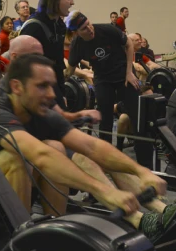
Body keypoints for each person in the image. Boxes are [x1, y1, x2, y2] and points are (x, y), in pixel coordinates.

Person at [0, 54, 175, 240]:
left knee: (56, 146)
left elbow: (90, 145)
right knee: (22, 156)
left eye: (52, 85)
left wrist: (141, 171)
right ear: (16, 87)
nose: (50, 94)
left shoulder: (39, 109)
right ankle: (21, 241)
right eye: (42, 86)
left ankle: (54, 231)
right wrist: (104, 191)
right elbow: (40, 156)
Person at [65, 12, 156, 167]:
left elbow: (128, 44)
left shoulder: (106, 29)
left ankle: (146, 166)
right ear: (76, 32)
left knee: (138, 120)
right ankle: (106, 164)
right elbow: (69, 70)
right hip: (103, 80)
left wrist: (129, 72)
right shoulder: (77, 45)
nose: (90, 29)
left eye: (89, 24)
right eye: (85, 29)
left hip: (124, 75)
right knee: (105, 123)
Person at [20, 0, 74, 109]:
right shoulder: (33, 27)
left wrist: (62, 93)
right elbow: (23, 67)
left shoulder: (59, 25)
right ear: (55, 0)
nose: (72, 3)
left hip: (54, 86)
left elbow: (58, 62)